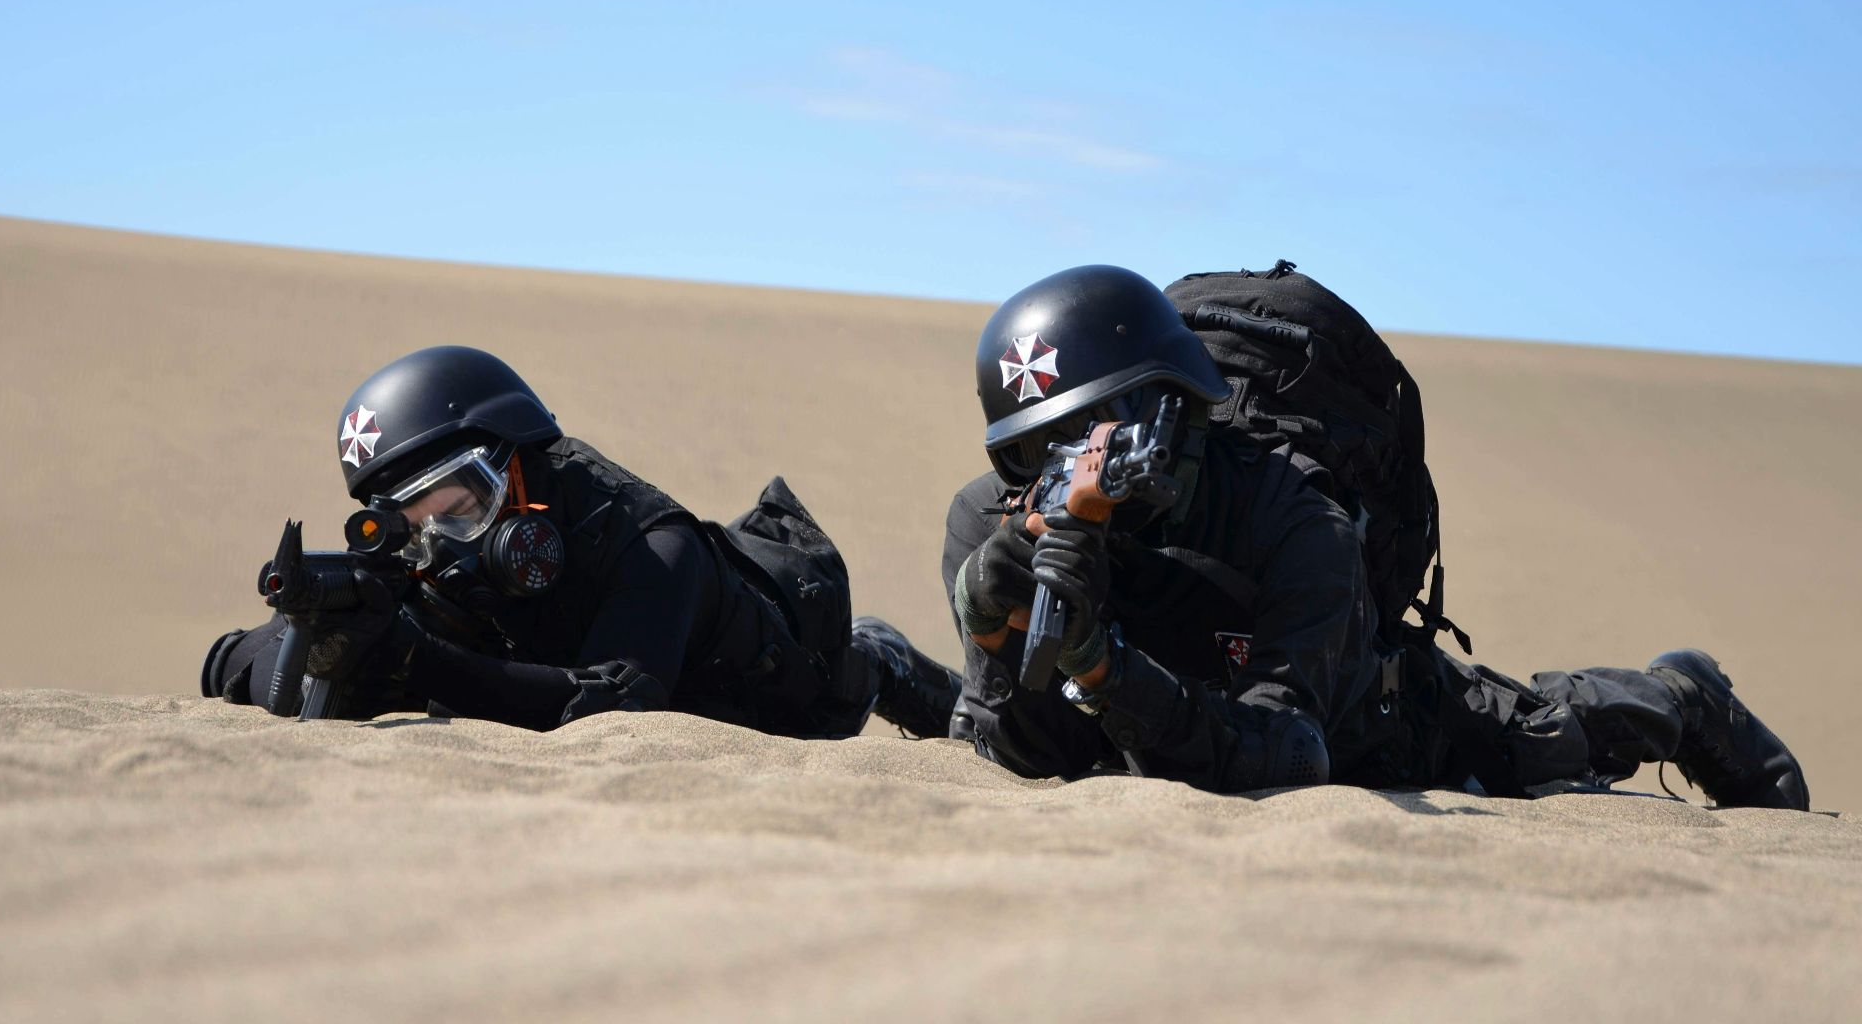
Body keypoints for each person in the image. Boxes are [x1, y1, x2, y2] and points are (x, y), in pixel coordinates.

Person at [942, 265, 1811, 809]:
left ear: (1172, 404)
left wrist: (1101, 668)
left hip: (1362, 717)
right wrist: (992, 637)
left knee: (1544, 736)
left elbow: (1290, 755)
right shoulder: (993, 522)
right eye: (1037, 446)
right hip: (1150, 733)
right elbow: (1027, 752)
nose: (1073, 461)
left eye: (1099, 426)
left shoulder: (1291, 514)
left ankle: (1682, 698)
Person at [203, 345, 958, 738]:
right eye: (416, 524)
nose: (447, 545)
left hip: (784, 682)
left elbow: (607, 707)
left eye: (466, 506)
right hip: (604, 645)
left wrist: (413, 657)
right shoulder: (424, 563)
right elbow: (227, 660)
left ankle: (884, 656)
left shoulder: (654, 546)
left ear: (520, 467)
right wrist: (314, 635)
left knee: (859, 679)